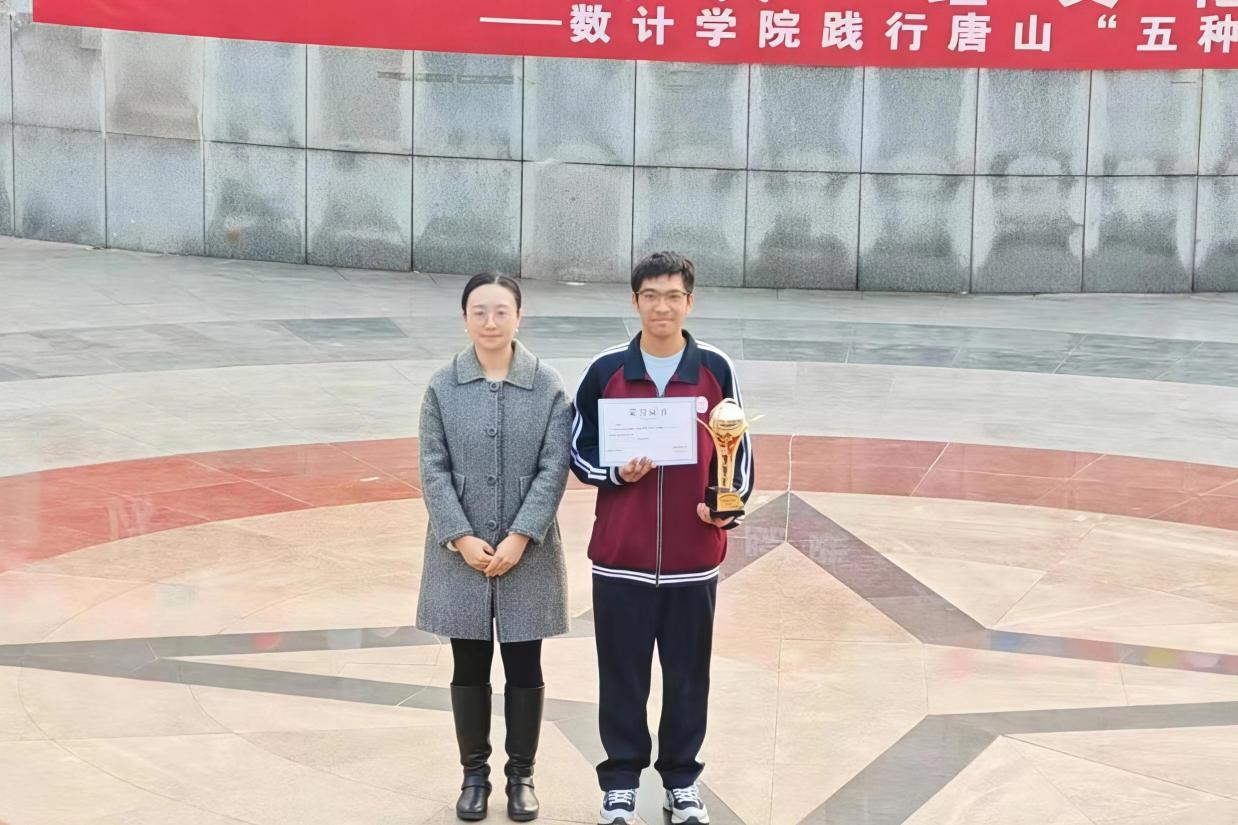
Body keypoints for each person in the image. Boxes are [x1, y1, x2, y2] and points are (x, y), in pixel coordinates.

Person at [570, 252, 754, 825]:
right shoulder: (605, 370)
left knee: (687, 678)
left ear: (689, 302)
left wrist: (725, 510)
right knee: (621, 675)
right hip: (620, 557)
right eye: (650, 296)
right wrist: (614, 473)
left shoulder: (715, 368)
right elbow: (578, 448)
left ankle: (681, 782)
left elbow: (738, 452)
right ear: (635, 302)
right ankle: (620, 783)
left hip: (692, 558)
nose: (662, 307)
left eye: (673, 296)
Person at [417, 272, 573, 822]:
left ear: (518, 317)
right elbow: (432, 467)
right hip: (459, 554)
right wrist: (460, 537)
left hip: (528, 552)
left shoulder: (548, 386)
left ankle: (521, 775)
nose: (490, 322)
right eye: (479, 312)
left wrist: (521, 534)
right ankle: (474, 775)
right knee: (469, 664)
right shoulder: (442, 386)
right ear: (465, 319)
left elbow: (555, 467)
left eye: (501, 311)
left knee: (525, 663)